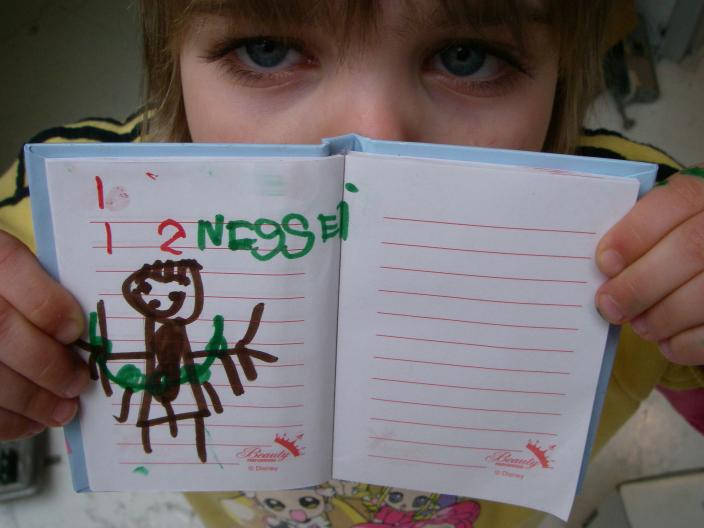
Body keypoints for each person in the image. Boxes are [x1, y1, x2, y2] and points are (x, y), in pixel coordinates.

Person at [0, 1, 702, 526]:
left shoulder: (643, 233)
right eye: (269, 50)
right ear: (170, 61)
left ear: (562, 75)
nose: (368, 138)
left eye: (467, 56)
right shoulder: (59, 216)